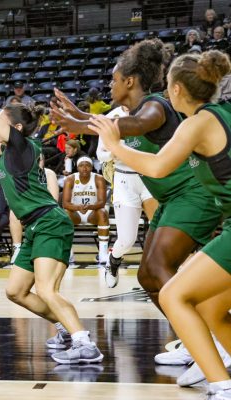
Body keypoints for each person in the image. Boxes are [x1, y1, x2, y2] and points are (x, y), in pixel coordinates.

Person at [51, 39, 222, 372]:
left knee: (159, 267)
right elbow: (117, 125)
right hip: (174, 198)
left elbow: (138, 125)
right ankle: (192, 343)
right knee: (147, 275)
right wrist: (80, 116)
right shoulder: (130, 112)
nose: (110, 86)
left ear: (129, 81)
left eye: (114, 80)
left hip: (194, 194)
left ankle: (212, 346)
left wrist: (85, 123)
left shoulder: (155, 106)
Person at [89, 49, 231, 400]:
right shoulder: (222, 114)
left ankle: (222, 386)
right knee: (211, 307)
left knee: (173, 293)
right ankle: (215, 362)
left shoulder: (197, 123)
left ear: (178, 90)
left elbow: (155, 167)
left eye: (167, 88)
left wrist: (113, 145)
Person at [0, 46, 103, 364]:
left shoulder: (23, 145)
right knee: (16, 291)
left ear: (15, 129)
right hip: (35, 227)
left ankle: (85, 343)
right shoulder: (8, 151)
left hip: (48, 221)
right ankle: (65, 328)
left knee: (46, 290)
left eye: (2, 123)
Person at [96, 106, 158, 287]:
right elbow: (101, 154)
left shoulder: (152, 111)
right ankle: (113, 260)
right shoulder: (111, 117)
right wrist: (115, 151)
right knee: (127, 240)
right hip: (124, 179)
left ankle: (157, 269)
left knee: (158, 229)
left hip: (148, 176)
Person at [62, 156, 109, 264]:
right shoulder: (70, 179)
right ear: (77, 167)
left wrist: (89, 207)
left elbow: (102, 202)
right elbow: (65, 203)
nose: (84, 168)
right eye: (81, 165)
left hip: (92, 212)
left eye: (87, 165)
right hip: (76, 213)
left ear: (92, 167)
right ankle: (68, 252)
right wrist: (78, 207)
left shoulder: (99, 178)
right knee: (65, 213)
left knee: (102, 212)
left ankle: (102, 253)